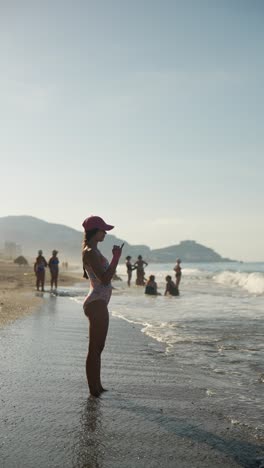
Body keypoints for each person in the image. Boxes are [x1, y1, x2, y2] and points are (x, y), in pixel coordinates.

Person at [82, 215, 124, 397]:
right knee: (94, 348)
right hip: (96, 303)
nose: (106, 233)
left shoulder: (94, 251)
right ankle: (93, 390)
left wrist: (114, 259)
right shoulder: (90, 251)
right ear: (94, 231)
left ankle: (97, 386)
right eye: (103, 230)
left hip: (99, 302)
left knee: (99, 347)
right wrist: (116, 258)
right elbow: (105, 279)